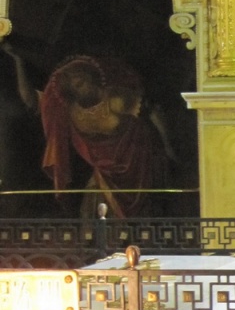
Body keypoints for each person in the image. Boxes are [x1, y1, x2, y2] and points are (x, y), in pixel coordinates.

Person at [5, 49, 171, 218]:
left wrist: (167, 146)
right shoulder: (72, 111)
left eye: (81, 83)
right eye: (73, 87)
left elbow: (153, 112)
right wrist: (19, 61)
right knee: (91, 214)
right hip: (105, 174)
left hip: (138, 169)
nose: (78, 89)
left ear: (93, 79)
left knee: (144, 219)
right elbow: (30, 100)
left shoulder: (115, 98)